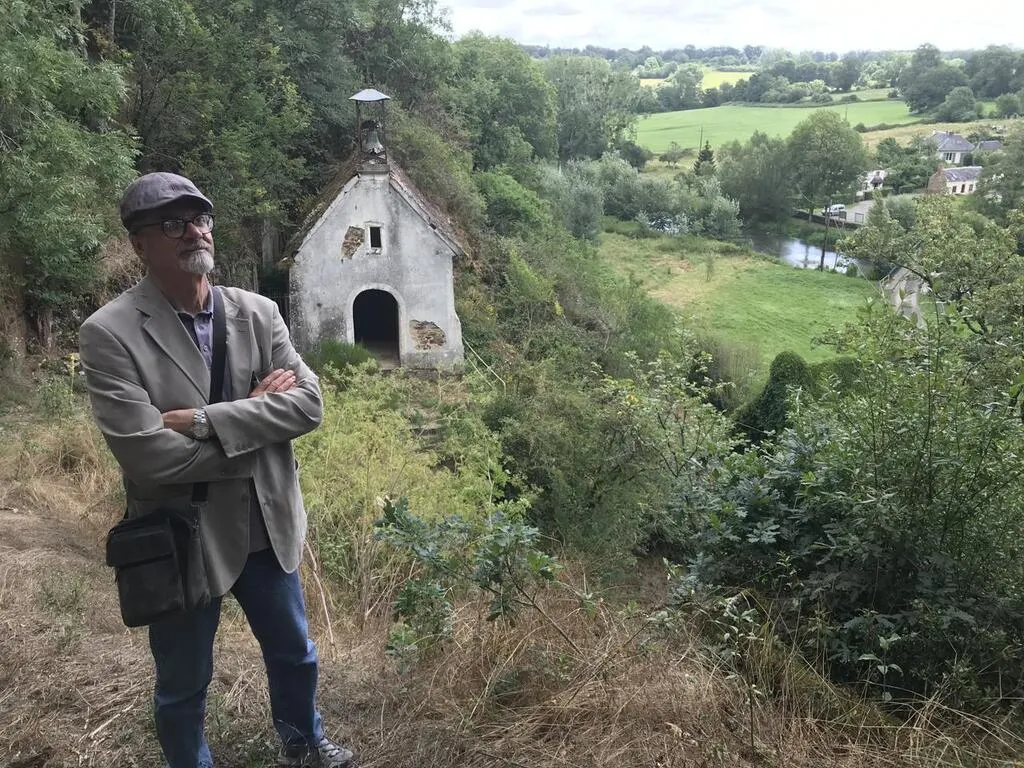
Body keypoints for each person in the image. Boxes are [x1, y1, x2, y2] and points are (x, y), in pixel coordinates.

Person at [78, 172, 355, 768]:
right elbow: (146, 454)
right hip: (181, 532)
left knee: (294, 652)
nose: (194, 232)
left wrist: (206, 421)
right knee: (184, 679)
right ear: (139, 244)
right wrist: (258, 423)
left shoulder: (258, 313)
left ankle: (304, 745)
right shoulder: (109, 333)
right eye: (173, 223)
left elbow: (309, 405)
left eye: (200, 218)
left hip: (265, 520)